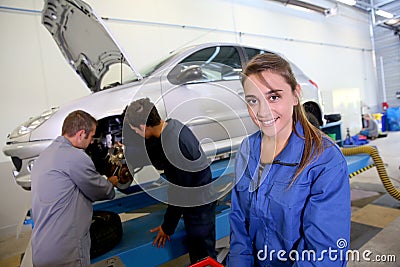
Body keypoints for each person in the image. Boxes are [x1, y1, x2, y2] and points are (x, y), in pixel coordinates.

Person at [226, 53, 351, 266]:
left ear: (295, 95)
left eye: (274, 97)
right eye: (253, 101)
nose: (262, 111)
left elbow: (324, 253)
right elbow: (239, 226)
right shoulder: (248, 149)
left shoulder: (325, 159)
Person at [124, 98, 217, 264]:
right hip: (197, 190)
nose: (136, 133)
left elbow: (178, 196)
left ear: (144, 127)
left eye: (135, 130)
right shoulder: (173, 125)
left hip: (198, 205)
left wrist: (167, 227)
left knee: (203, 255)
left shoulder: (173, 149)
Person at [31, 110, 119, 267]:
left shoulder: (45, 155)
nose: (92, 142)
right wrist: (111, 182)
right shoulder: (75, 157)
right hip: (65, 251)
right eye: (91, 137)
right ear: (80, 134)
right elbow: (102, 191)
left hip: (41, 248)